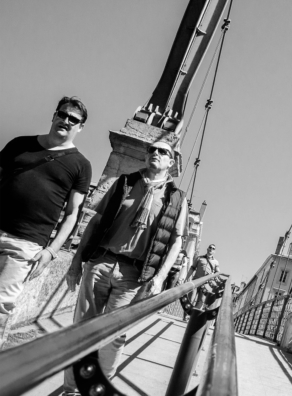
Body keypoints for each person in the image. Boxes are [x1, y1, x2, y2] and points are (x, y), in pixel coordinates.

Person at [63, 140, 186, 394]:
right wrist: (76, 261)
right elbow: (95, 221)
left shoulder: (177, 199)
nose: (155, 153)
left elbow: (176, 242)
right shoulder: (125, 183)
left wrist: (161, 277)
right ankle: (72, 389)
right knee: (83, 330)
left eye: (163, 151)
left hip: (133, 274)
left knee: (114, 336)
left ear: (171, 163)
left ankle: (97, 390)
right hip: (101, 262)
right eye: (152, 149)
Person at [0, 97, 92, 315]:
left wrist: (51, 251)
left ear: (80, 127)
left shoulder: (81, 166)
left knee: (1, 306)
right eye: (62, 114)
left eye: (73, 119)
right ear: (54, 116)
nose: (66, 120)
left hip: (25, 243)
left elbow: (72, 214)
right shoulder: (20, 144)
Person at [185, 244, 220, 310]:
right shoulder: (199, 258)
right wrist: (186, 278)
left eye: (213, 248)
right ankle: (186, 315)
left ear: (214, 252)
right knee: (190, 298)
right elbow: (192, 268)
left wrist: (214, 277)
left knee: (201, 301)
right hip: (196, 281)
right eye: (210, 247)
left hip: (206, 284)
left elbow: (218, 272)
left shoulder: (216, 262)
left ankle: (192, 317)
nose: (211, 249)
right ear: (207, 249)